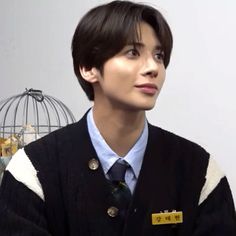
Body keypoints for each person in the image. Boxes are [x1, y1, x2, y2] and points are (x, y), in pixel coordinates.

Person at [0, 1, 235, 235]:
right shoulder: (32, 173)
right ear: (88, 67)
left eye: (159, 55)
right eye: (133, 52)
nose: (153, 67)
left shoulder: (200, 173)